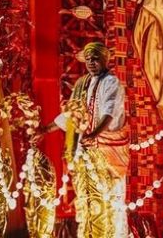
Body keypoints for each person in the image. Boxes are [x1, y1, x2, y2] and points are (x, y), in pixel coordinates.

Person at [40, 41, 128, 238]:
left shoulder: (111, 83)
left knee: (109, 199)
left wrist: (94, 135)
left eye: (95, 58)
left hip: (107, 151)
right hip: (85, 151)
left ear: (105, 60)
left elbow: (109, 113)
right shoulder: (82, 84)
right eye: (88, 59)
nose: (91, 62)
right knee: (85, 198)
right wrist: (45, 130)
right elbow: (71, 115)